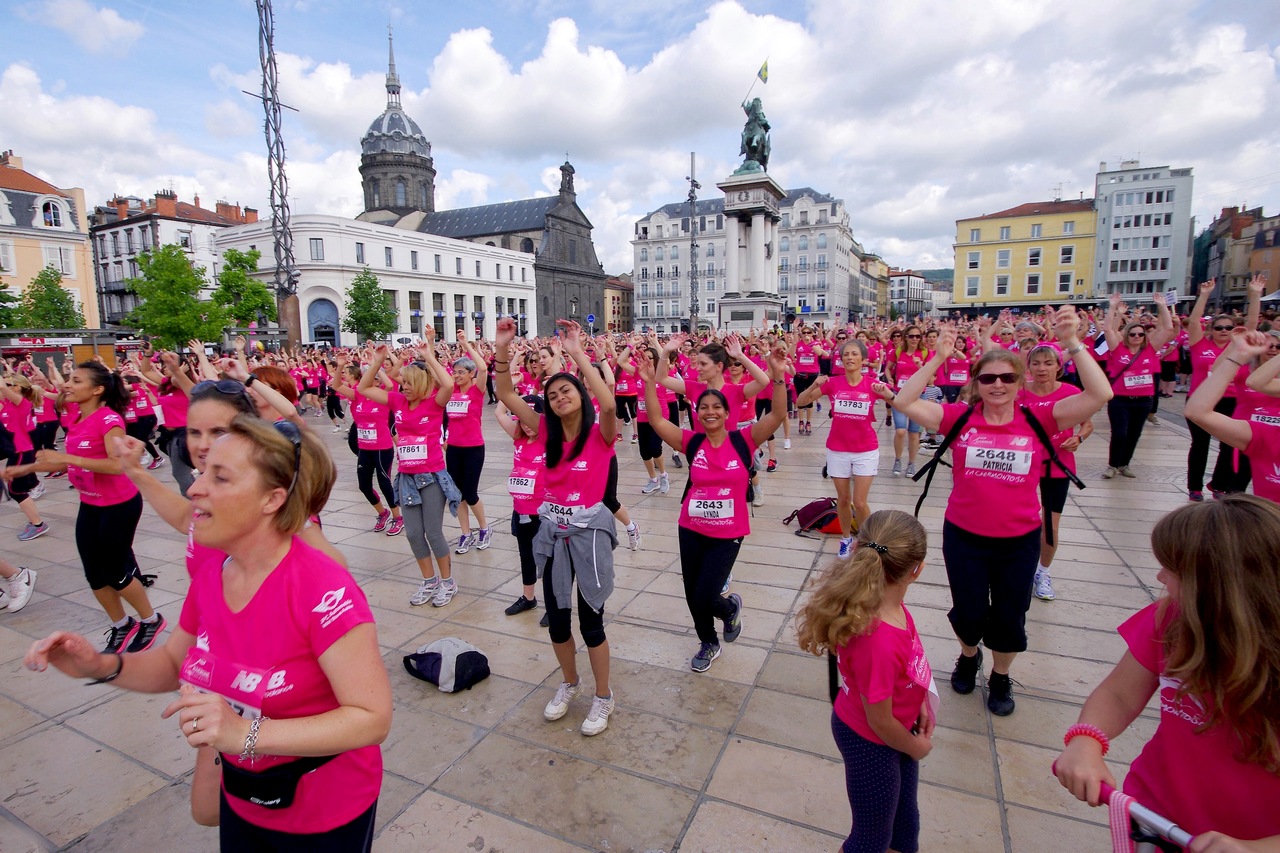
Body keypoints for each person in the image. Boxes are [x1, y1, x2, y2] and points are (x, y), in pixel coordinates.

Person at [24, 414, 392, 850]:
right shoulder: (215, 573)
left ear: (271, 499)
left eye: (219, 478)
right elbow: (171, 663)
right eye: (201, 473)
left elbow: (371, 718)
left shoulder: (323, 589)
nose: (195, 488)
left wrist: (246, 736)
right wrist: (99, 664)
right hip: (243, 798)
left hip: (324, 811)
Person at [884, 308, 1111, 716]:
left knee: (1009, 614)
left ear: (1020, 382)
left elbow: (1100, 396)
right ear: (976, 383)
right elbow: (904, 400)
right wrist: (937, 357)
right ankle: (969, 656)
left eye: (1007, 378)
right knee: (969, 609)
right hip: (965, 535)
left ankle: (1002, 676)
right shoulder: (959, 419)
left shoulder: (1039, 417)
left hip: (1019, 539)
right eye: (988, 378)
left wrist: (1073, 344)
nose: (998, 385)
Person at [1054, 496, 1280, 849]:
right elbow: (1120, 693)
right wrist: (1086, 740)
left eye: (1173, 570)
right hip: (1156, 816)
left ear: (1222, 587)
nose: (1159, 577)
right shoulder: (1171, 618)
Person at [494, 317, 619, 736]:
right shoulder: (544, 429)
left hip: (590, 536)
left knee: (591, 621)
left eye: (567, 390)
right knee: (559, 617)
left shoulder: (601, 435)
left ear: (580, 395)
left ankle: (603, 696)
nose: (560, 397)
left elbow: (610, 405)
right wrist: (502, 348)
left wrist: (577, 353)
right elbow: (506, 393)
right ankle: (570, 683)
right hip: (553, 535)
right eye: (553, 393)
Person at [638, 345, 787, 672]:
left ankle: (729, 608)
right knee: (693, 594)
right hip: (691, 527)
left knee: (707, 593)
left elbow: (776, 415)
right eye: (702, 407)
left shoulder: (743, 440)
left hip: (728, 531)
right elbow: (655, 419)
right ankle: (708, 641)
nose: (709, 411)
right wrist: (650, 381)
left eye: (716, 407)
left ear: (727, 410)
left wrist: (778, 376)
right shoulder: (691, 441)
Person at [795, 510, 935, 853]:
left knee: (905, 826)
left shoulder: (891, 609)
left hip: (897, 730)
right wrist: (915, 746)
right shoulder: (878, 639)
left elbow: (907, 669)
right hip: (870, 740)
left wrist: (918, 701)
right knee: (870, 839)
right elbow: (879, 719)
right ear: (916, 569)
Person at [3, 361, 166, 654]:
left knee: (116, 571)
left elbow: (118, 466)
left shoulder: (109, 420)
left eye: (76, 381)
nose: (68, 384)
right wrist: (25, 468)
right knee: (93, 572)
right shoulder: (77, 418)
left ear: (97, 389)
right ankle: (121, 625)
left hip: (119, 505)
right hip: (90, 504)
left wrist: (70, 460)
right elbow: (68, 459)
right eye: (69, 379)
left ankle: (150, 620)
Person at [358, 335, 461, 607]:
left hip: (432, 477)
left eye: (406, 382)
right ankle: (429, 581)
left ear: (418, 383)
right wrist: (378, 360)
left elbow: (448, 383)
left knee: (434, 532)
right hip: (407, 479)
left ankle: (448, 581)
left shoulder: (434, 404)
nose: (401, 386)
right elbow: (364, 387)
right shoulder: (397, 402)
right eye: (401, 382)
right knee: (414, 534)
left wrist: (428, 355)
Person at [796, 337, 881, 558]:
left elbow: (898, 400)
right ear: (840, 360)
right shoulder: (834, 383)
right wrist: (815, 384)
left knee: (860, 502)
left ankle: (867, 540)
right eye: (846, 354)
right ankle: (845, 539)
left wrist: (889, 394)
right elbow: (800, 402)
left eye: (854, 354)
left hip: (866, 449)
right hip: (838, 449)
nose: (850, 358)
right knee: (843, 499)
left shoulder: (871, 384)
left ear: (863, 359)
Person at [1021, 344, 1093, 601]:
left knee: (1050, 525)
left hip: (1057, 465)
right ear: (1028, 366)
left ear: (1059, 367)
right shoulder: (1020, 393)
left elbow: (1087, 423)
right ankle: (1022, 569)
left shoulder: (1071, 392)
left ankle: (1043, 572)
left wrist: (1079, 439)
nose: (1042, 369)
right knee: (1021, 521)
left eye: (1048, 363)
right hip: (1023, 465)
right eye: (1037, 363)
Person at [1183, 278, 1261, 499]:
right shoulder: (1200, 344)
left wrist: (1255, 295)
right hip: (1200, 400)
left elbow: (1252, 325)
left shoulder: (1236, 346)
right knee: (1200, 444)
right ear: (1212, 329)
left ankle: (1218, 484)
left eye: (1229, 328)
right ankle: (1194, 486)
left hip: (1230, 400)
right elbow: (1195, 320)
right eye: (1219, 328)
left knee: (1229, 446)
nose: (1224, 331)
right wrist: (1204, 294)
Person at [1185, 330, 1280, 503]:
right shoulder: (1247, 371)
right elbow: (1251, 380)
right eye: (1270, 346)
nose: (1273, 350)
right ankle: (1223, 493)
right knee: (1237, 477)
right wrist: (1236, 351)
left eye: (1278, 346)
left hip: (1259, 432)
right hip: (1250, 430)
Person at [1100, 292, 1174, 479]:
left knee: (1134, 434)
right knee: (1119, 433)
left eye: (1141, 334)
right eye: (1133, 334)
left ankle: (1125, 464)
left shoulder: (1150, 350)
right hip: (1120, 400)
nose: (1137, 336)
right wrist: (1113, 307)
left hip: (1143, 400)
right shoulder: (1118, 349)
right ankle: (1112, 464)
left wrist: (1163, 306)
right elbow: (1108, 329)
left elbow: (1167, 329)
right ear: (1126, 335)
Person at [330, 356, 403, 535]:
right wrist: (340, 367)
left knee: (384, 482)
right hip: (365, 448)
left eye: (375, 379)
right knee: (364, 485)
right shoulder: (357, 396)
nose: (372, 381)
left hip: (382, 447)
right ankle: (382, 513)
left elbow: (391, 385)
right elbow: (337, 386)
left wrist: (376, 367)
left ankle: (397, 517)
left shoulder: (384, 397)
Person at [495, 394, 548, 623]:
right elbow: (499, 413)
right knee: (526, 556)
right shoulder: (518, 437)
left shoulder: (550, 439)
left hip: (545, 512)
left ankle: (554, 604)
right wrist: (510, 390)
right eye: (522, 419)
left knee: (548, 559)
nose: (526, 425)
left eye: (531, 419)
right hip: (522, 509)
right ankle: (528, 598)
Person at [446, 333, 493, 553]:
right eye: (454, 372)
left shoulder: (476, 391)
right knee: (457, 494)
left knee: (470, 492)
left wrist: (466, 345)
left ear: (470, 374)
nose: (456, 376)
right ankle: (466, 533)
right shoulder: (451, 392)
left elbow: (483, 368)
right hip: (454, 448)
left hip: (474, 448)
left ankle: (484, 528)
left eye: (461, 372)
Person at [0, 373, 51, 541]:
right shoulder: (6, 404)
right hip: (15, 450)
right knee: (18, 488)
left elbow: (1, 387)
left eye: (9, 384)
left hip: (22, 451)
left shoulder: (22, 403)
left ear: (17, 387)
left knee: (16, 490)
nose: (5, 387)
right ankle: (35, 521)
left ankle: (38, 525)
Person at [888, 325, 929, 477]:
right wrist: (890, 378)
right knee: (900, 430)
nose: (914, 339)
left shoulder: (925, 353)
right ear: (905, 337)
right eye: (911, 336)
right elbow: (888, 368)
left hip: (918, 397)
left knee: (914, 433)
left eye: (918, 336)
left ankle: (911, 463)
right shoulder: (898, 352)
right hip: (900, 395)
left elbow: (930, 378)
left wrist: (920, 366)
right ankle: (898, 460)